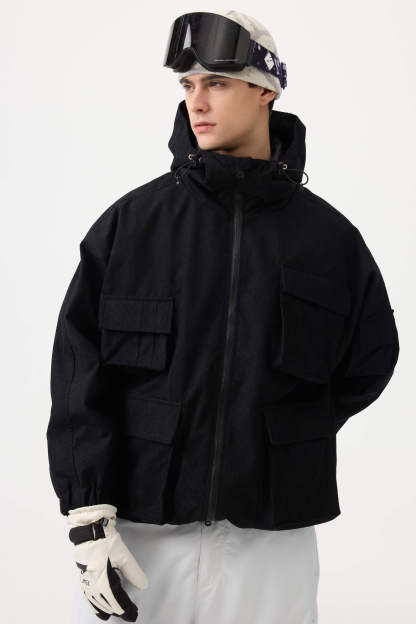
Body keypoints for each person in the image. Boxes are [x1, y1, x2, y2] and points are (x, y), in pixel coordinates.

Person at [47, 10, 400, 624]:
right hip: (139, 533)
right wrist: (87, 514)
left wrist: (285, 434)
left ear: (266, 90)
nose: (197, 101)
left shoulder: (329, 240)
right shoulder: (133, 226)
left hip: (271, 546)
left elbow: (369, 361)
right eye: (187, 85)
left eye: (216, 83)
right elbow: (78, 371)